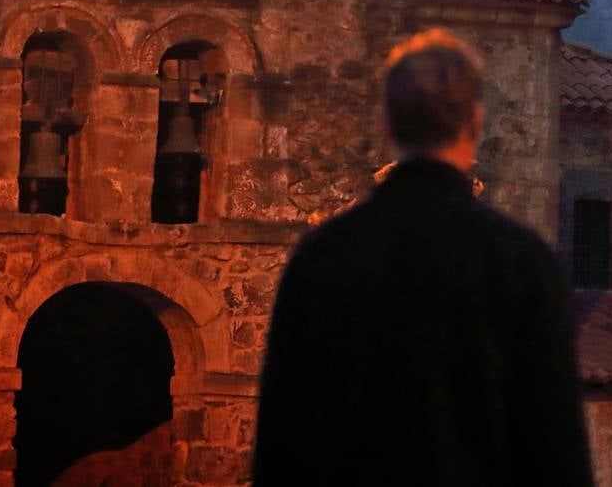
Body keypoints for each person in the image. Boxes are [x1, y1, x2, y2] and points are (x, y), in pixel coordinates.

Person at [252, 29, 593, 486]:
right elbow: (555, 452)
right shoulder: (521, 262)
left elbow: (281, 444)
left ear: (387, 125)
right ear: (474, 121)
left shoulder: (323, 258)